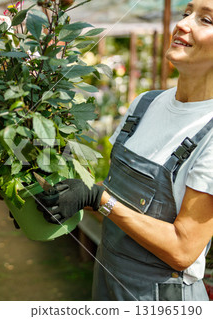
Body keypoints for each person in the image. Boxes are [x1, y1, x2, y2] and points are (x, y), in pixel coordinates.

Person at [35, 0, 213, 301]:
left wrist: (98, 198)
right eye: (185, 13)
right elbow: (119, 198)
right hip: (107, 281)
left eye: (206, 20)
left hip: (160, 297)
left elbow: (183, 250)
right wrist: (63, 196)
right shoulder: (146, 104)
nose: (182, 24)